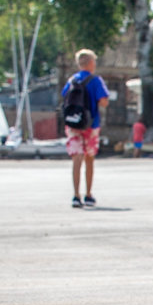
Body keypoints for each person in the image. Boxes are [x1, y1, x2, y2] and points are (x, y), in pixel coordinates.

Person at [62, 49, 110, 208]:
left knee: (77, 158)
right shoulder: (96, 81)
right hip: (91, 124)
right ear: (90, 63)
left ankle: (76, 196)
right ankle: (88, 194)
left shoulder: (72, 80)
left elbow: (64, 95)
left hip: (73, 124)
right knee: (89, 159)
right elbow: (103, 101)